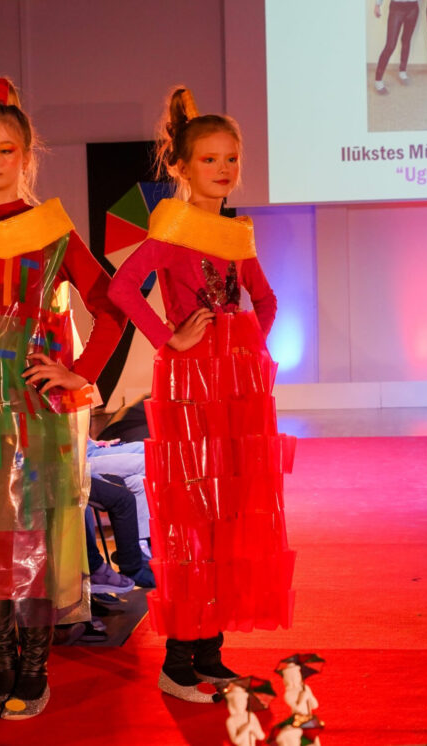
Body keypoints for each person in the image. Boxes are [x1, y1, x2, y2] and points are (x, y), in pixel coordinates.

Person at [0, 77, 126, 720]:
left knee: (33, 545)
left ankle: (34, 676)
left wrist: (78, 373)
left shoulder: (51, 229)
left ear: (26, 156)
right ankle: (1, 673)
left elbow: (112, 307)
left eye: (4, 149)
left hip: (37, 416)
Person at [108, 87, 296, 703]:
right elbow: (123, 289)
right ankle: (177, 662)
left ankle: (211, 656)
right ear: (182, 167)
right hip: (187, 389)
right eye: (210, 159)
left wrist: (245, 348)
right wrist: (171, 339)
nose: (223, 169)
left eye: (231, 159)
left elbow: (264, 299)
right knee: (191, 516)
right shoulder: (170, 228)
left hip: (235, 392)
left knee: (228, 515)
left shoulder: (236, 233)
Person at [373, 0, 420, 93]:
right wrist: (377, 5)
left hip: (413, 8)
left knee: (406, 41)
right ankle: (378, 80)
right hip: (397, 8)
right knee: (390, 45)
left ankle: (402, 71)